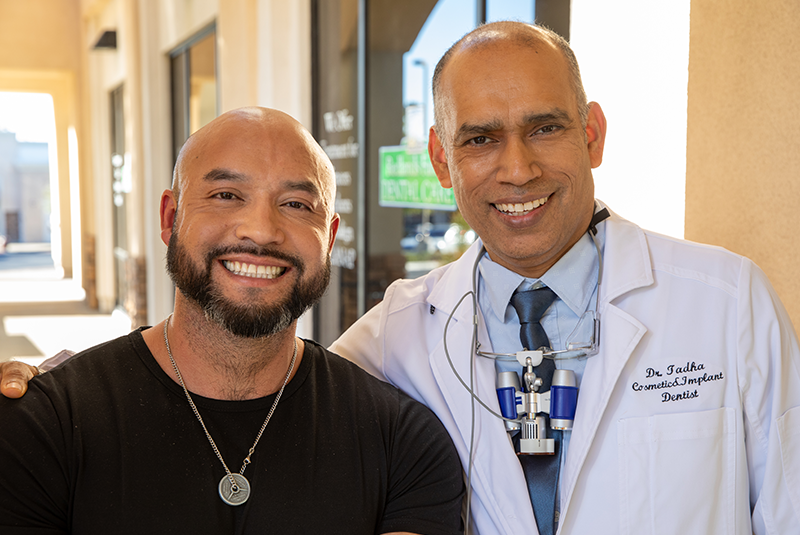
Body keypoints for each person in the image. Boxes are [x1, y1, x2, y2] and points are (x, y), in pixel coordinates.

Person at [2, 21, 799, 535]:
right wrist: (58, 387)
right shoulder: (399, 331)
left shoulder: (727, 303)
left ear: (591, 135)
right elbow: (252, 362)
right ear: (443, 160)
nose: (516, 168)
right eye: (480, 138)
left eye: (545, 128)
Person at [0, 107, 464, 534]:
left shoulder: (404, 443)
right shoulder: (44, 426)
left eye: (296, 204)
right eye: (226, 195)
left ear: (328, 238)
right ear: (171, 218)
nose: (260, 230)